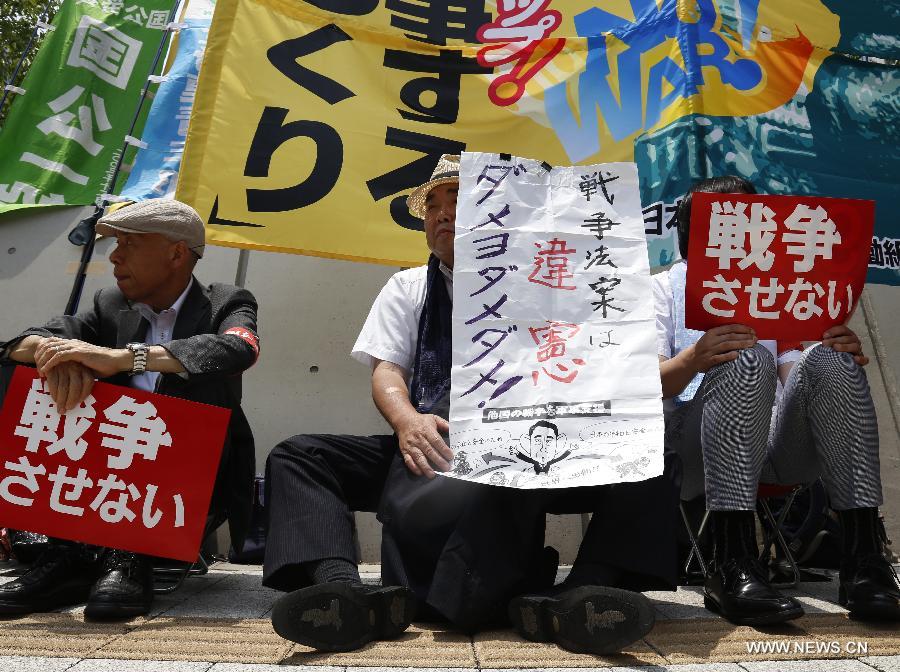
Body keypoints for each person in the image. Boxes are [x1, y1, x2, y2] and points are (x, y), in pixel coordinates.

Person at [263, 155, 679, 654]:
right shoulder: (409, 287)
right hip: (429, 451)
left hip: (537, 454)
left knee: (654, 460)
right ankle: (343, 590)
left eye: (457, 199)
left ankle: (584, 591)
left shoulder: (555, 284)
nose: (441, 214)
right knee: (298, 456)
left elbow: (619, 376)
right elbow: (387, 372)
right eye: (432, 206)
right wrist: (407, 421)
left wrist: (692, 361)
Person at [655, 175, 899, 624]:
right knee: (742, 355)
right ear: (694, 231)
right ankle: (731, 563)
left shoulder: (777, 294)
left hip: (771, 448)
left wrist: (832, 350)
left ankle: (865, 562)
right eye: (722, 221)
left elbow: (794, 380)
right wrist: (694, 357)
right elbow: (643, 383)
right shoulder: (662, 288)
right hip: (693, 450)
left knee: (831, 360)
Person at [0, 198, 260, 619]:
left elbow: (238, 348)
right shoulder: (109, 304)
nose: (116, 256)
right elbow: (23, 341)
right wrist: (60, 355)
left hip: (183, 483)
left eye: (129, 243)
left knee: (202, 384)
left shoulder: (224, 301)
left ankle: (128, 555)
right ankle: (65, 555)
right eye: (115, 244)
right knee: (23, 371)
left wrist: (122, 358)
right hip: (103, 475)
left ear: (176, 253)